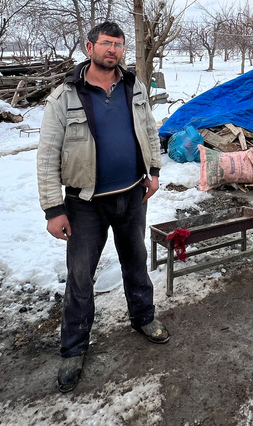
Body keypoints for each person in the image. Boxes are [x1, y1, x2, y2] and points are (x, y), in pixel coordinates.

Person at [37, 21, 169, 393]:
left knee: (135, 261)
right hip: (84, 204)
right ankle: (74, 349)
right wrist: (52, 208)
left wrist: (153, 171)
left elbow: (149, 130)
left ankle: (143, 318)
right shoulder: (65, 95)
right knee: (80, 276)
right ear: (89, 46)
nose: (113, 50)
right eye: (106, 44)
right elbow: (47, 155)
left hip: (131, 194)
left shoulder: (132, 86)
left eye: (118, 45)